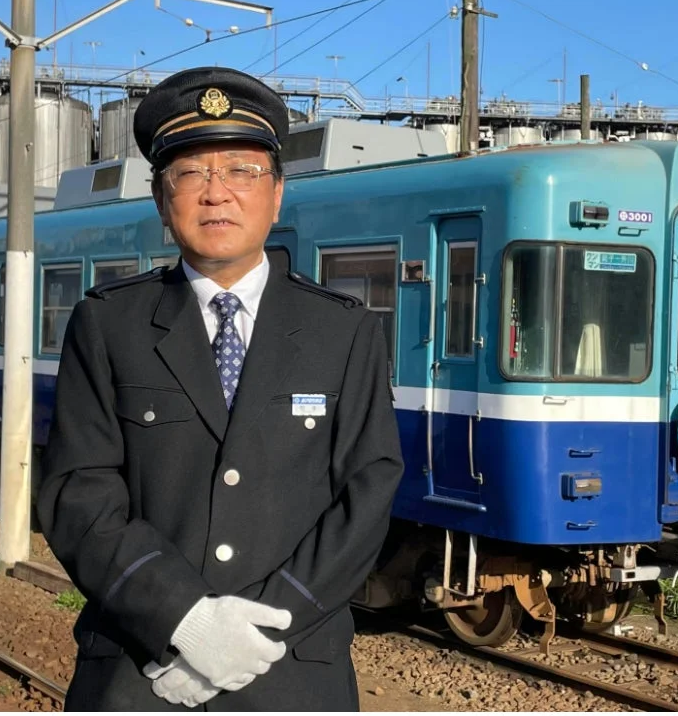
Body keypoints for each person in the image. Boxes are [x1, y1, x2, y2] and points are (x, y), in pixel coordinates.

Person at [37, 66, 405, 711]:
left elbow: (367, 494)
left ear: (278, 194)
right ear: (160, 199)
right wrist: (186, 621)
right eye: (191, 173)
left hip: (293, 671)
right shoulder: (107, 323)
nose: (217, 194)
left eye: (241, 170)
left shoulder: (343, 331)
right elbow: (79, 493)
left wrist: (259, 631)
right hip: (140, 667)